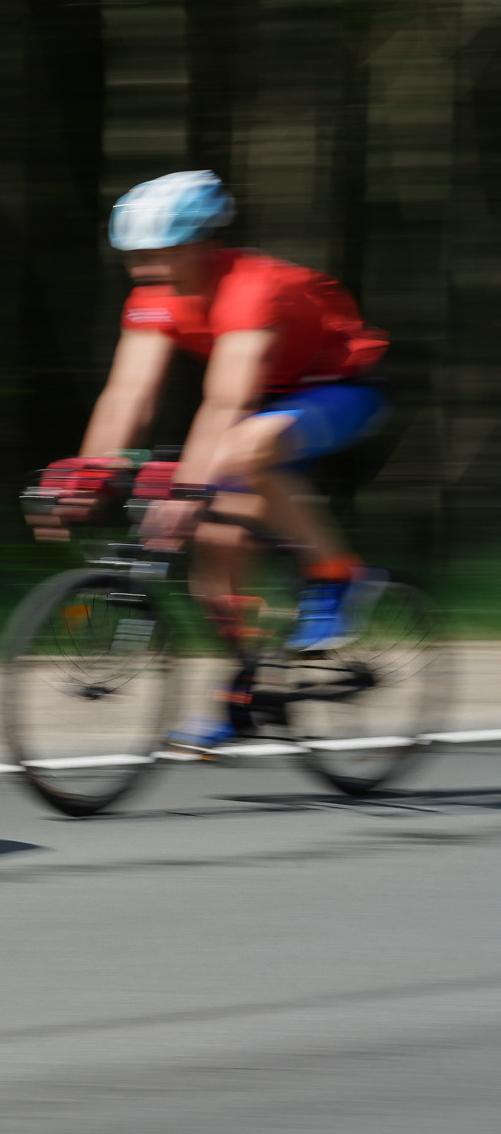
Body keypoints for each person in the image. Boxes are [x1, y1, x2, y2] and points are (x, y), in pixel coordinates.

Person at [30, 170, 390, 748]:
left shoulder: (252, 286)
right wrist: (88, 473)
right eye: (133, 257)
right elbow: (129, 394)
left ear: (201, 243)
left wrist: (187, 490)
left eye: (160, 254)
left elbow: (229, 400)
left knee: (242, 452)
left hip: (337, 388)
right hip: (263, 402)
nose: (144, 269)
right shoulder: (152, 297)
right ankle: (251, 689)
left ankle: (337, 575)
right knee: (216, 557)